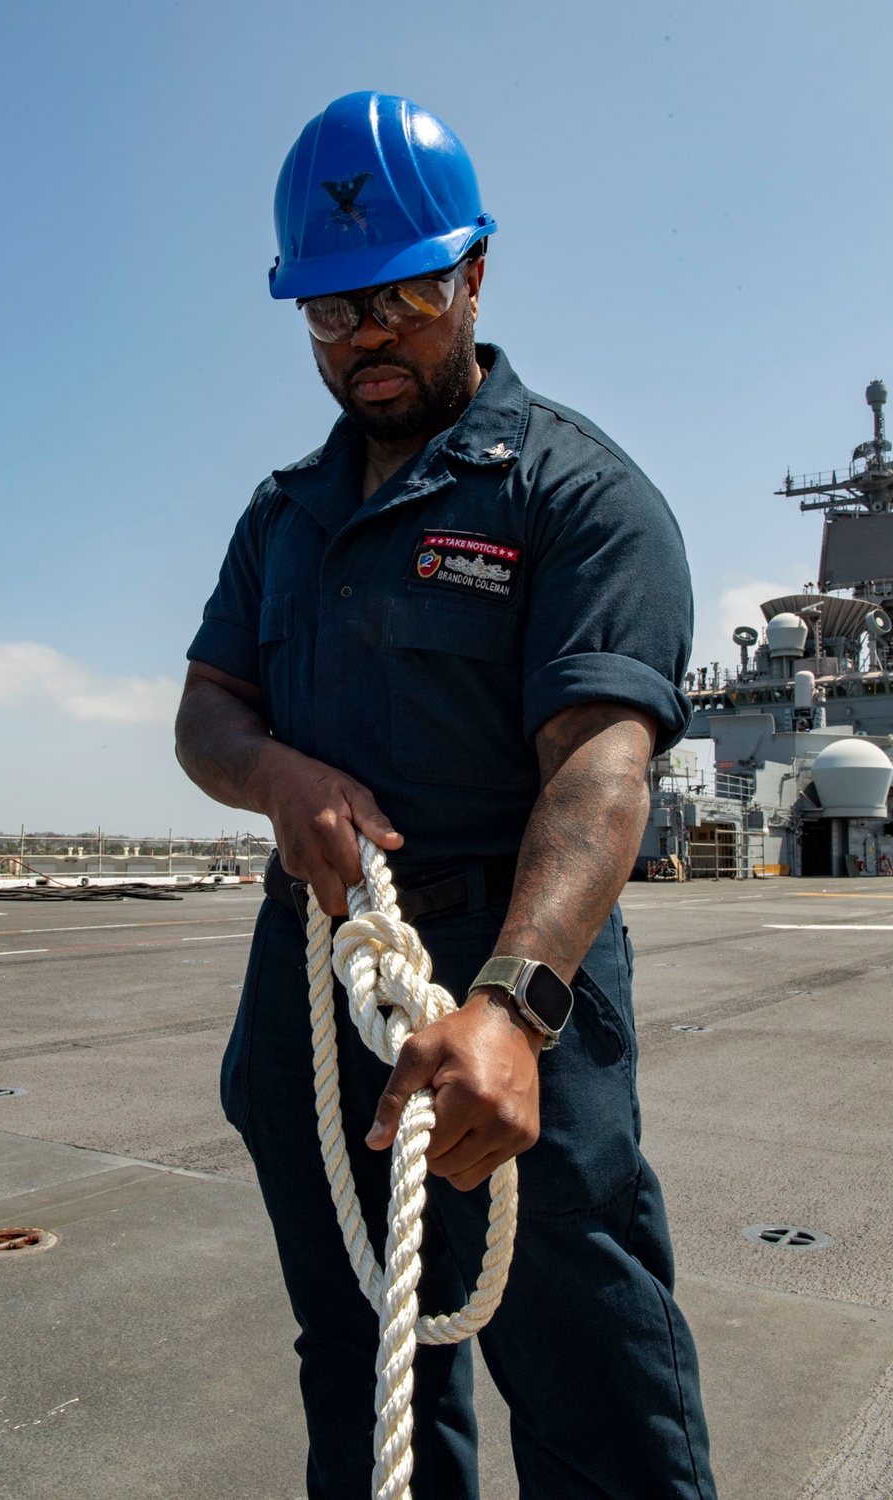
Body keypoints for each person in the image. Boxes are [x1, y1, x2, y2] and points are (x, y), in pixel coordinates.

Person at [175, 91, 717, 1500]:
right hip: (315, 976)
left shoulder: (576, 497)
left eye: (406, 294)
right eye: (331, 310)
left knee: (594, 1378)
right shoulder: (281, 517)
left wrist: (517, 1006)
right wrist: (274, 775)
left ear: (474, 273)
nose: (367, 337)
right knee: (360, 1374)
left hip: (507, 986)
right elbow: (206, 712)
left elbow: (601, 766)